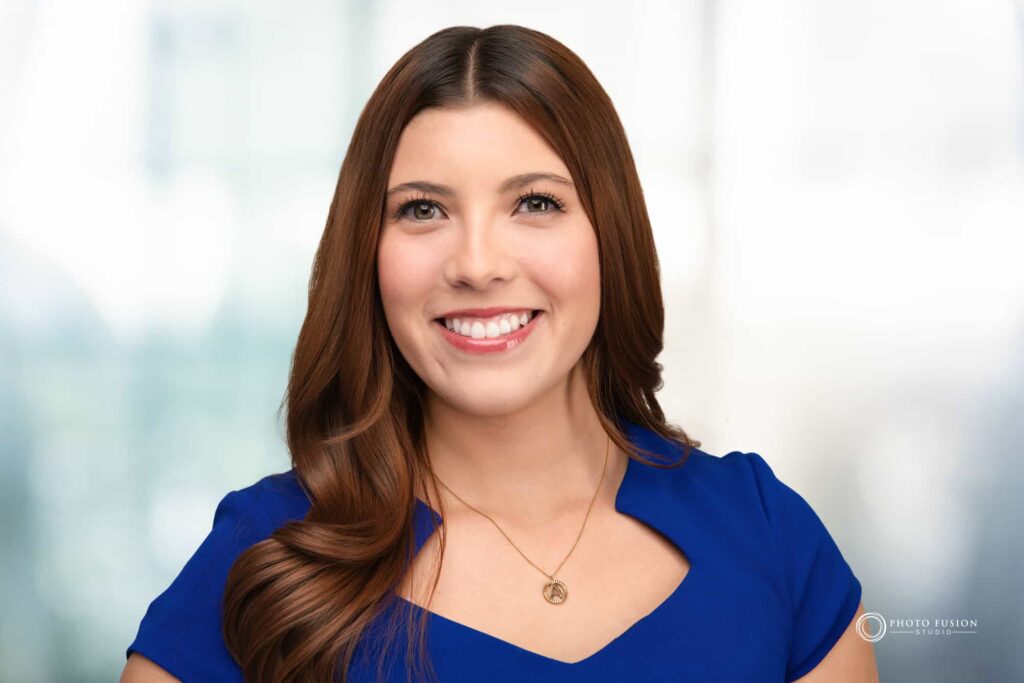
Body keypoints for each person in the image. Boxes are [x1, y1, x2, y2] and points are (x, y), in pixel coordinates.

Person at [121, 24, 879, 683]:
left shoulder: (765, 535)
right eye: (423, 210)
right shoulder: (267, 561)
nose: (478, 263)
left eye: (536, 203)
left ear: (608, 236)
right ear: (368, 254)